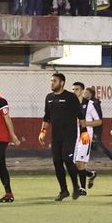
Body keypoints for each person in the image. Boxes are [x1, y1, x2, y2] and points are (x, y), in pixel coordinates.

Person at [39, 72, 87, 201]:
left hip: (69, 135)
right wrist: (43, 131)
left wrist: (84, 133)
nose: (52, 83)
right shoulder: (49, 97)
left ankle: (76, 187)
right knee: (57, 162)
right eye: (51, 81)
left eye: (54, 81)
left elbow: (81, 116)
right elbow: (46, 117)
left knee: (67, 159)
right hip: (56, 136)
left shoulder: (70, 97)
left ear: (62, 83)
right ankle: (64, 190)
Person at [70, 81, 101, 196]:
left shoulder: (89, 104)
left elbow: (98, 121)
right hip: (73, 136)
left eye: (76, 89)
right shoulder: (70, 104)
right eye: (73, 89)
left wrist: (84, 123)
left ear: (82, 91)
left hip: (85, 136)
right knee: (72, 164)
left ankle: (82, 189)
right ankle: (90, 174)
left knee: (80, 162)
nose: (74, 91)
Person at [83, 86, 112, 166]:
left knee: (98, 143)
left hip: (95, 127)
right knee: (89, 144)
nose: (84, 94)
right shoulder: (87, 103)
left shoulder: (94, 104)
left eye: (86, 93)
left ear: (91, 94)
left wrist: (94, 124)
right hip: (90, 127)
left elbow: (98, 117)